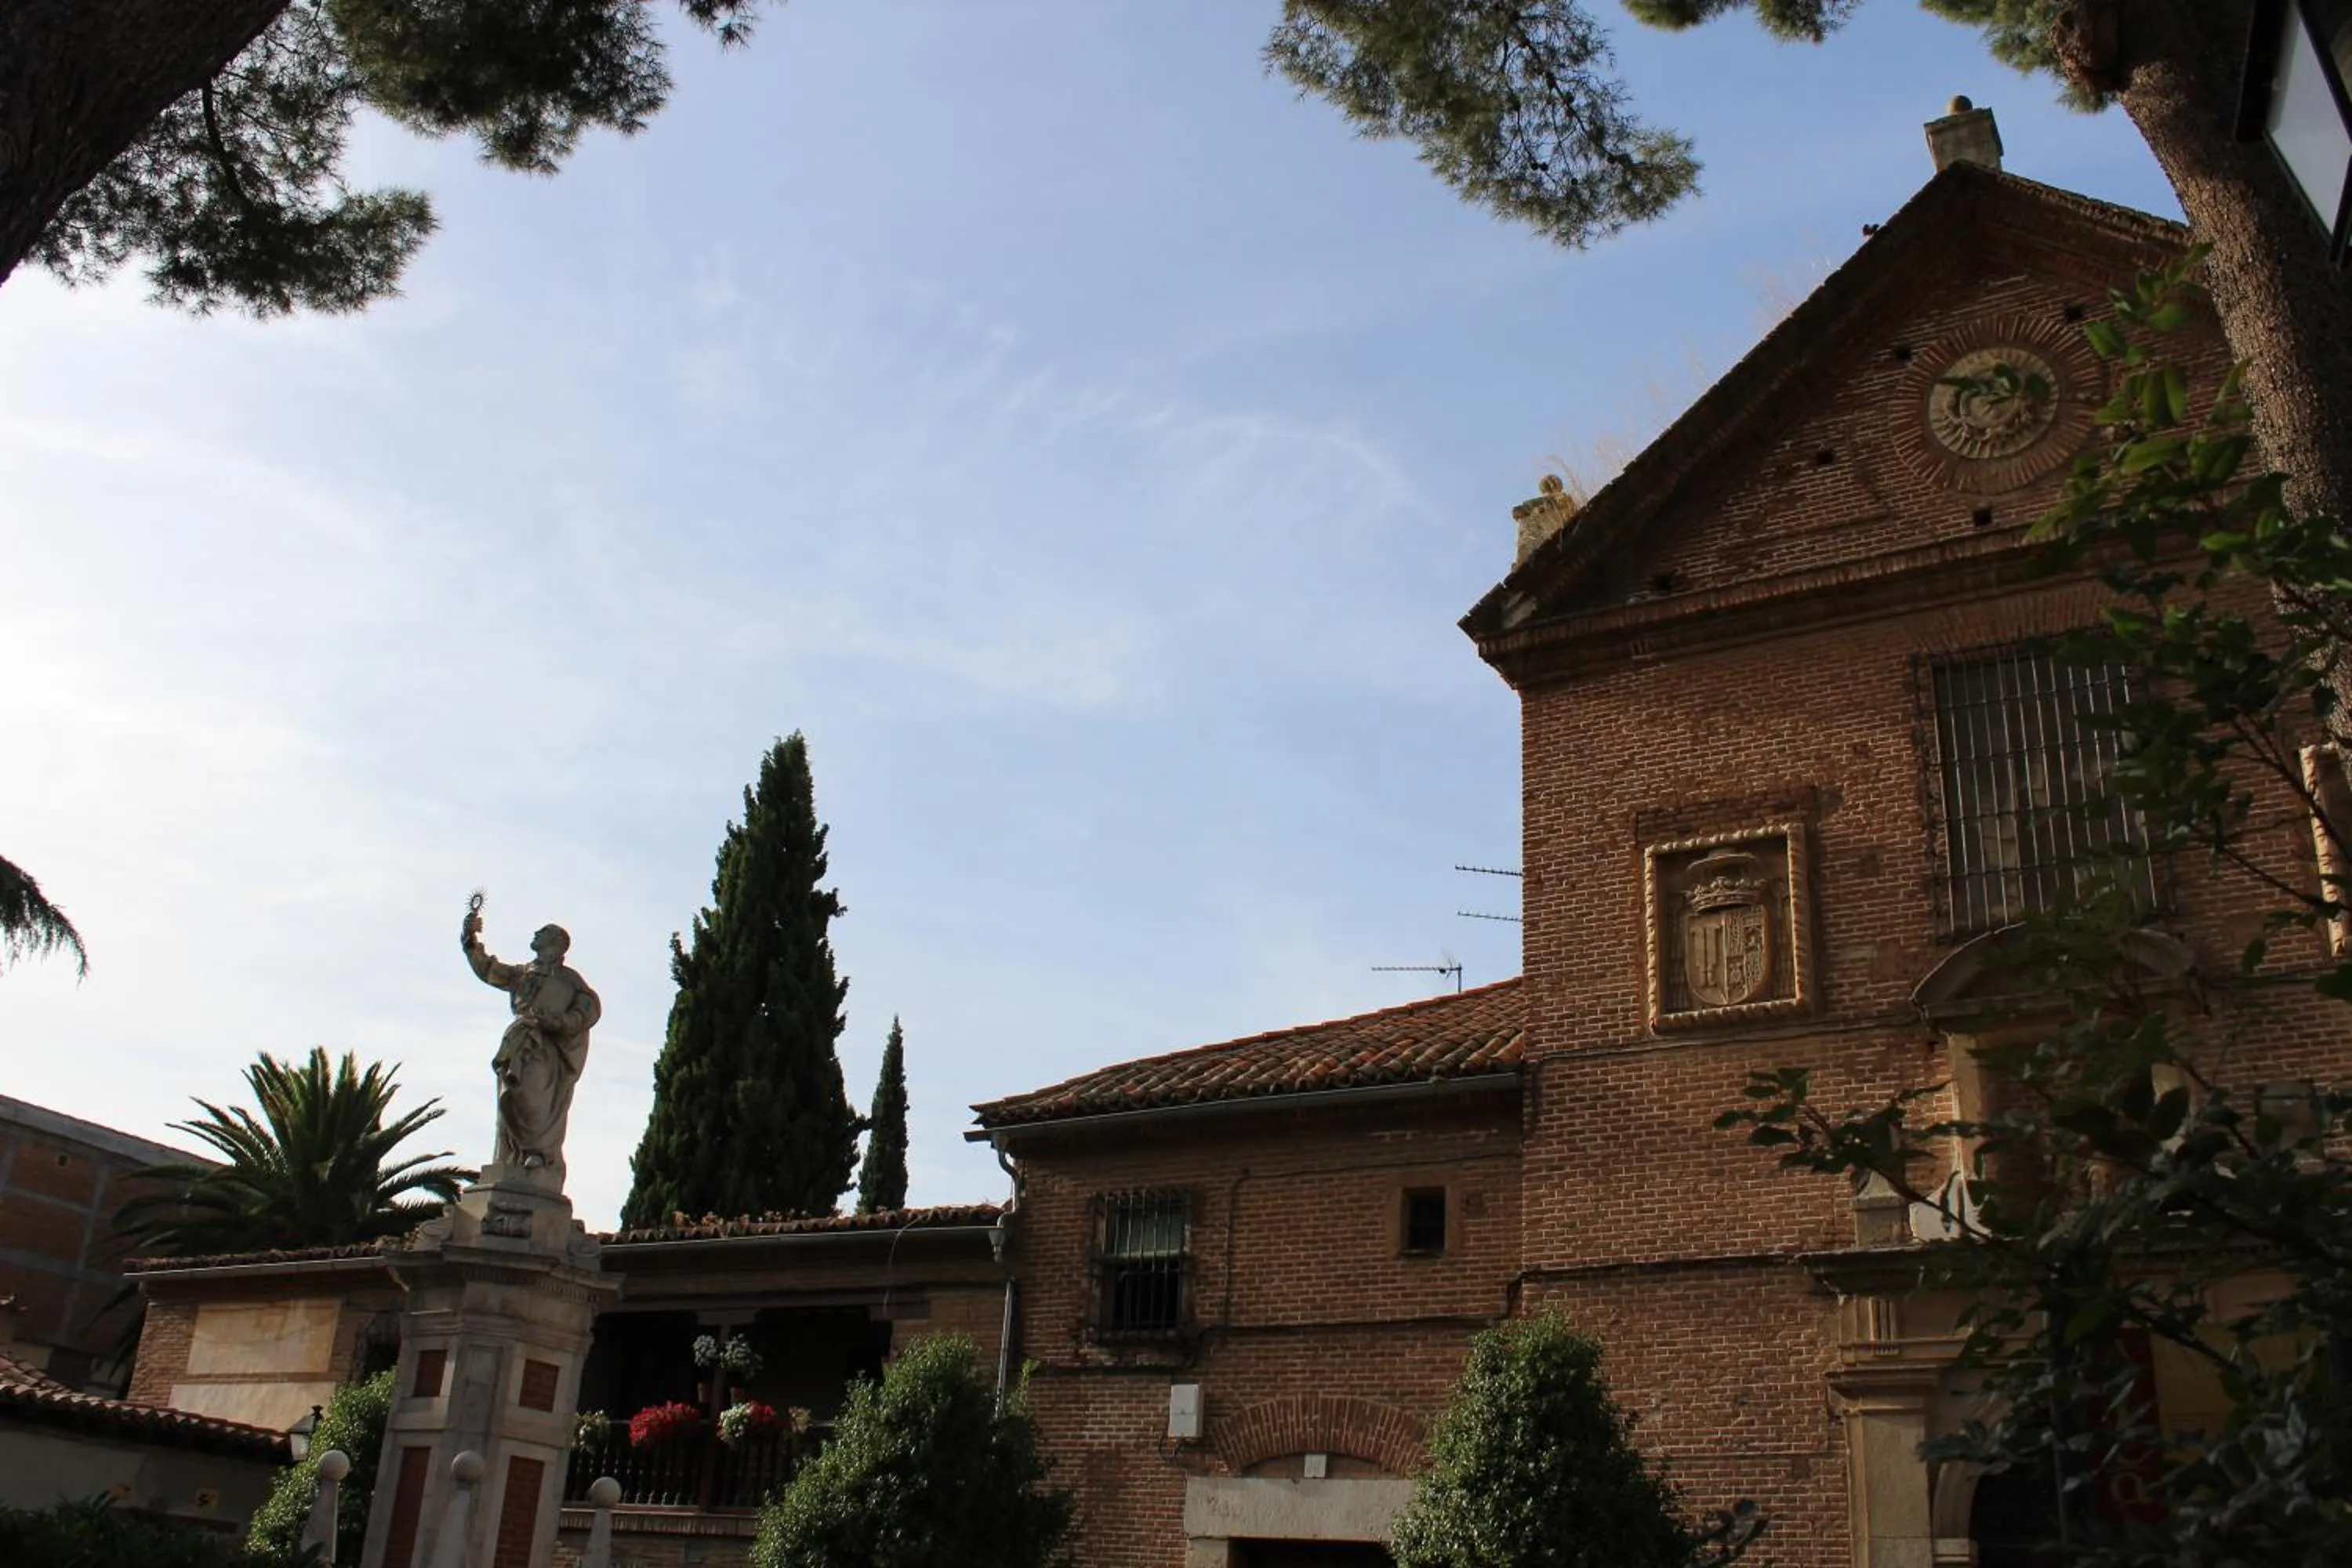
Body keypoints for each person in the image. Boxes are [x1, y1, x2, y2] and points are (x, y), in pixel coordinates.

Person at [461, 894, 600, 1189]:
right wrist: (470, 937)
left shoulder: (570, 980)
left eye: (543, 932)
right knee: (509, 1097)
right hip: (517, 1043)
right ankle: (511, 1158)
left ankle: (538, 1153)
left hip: (546, 1049)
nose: (535, 934)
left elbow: (588, 1010)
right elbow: (489, 970)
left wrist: (560, 1022)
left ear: (556, 944)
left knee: (535, 1097)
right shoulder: (524, 973)